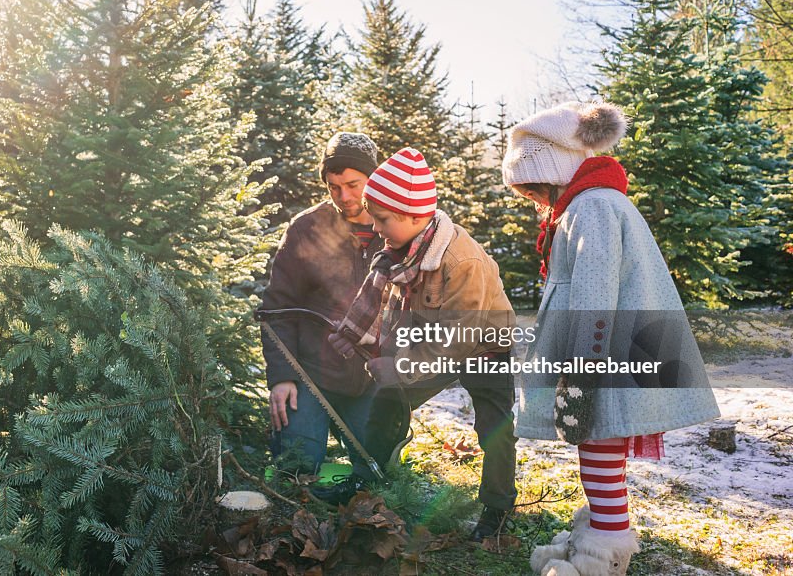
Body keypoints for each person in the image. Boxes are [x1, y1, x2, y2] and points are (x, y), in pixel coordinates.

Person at [501, 101, 720, 574]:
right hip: (608, 353)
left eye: (532, 189)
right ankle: (597, 535)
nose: (534, 201)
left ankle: (604, 555)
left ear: (551, 171)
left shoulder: (592, 207)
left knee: (599, 448)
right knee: (600, 452)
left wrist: (580, 376)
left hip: (606, 356)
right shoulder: (588, 202)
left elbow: (595, 296)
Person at [328, 147, 519, 541]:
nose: (377, 228)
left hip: (482, 345)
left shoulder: (462, 262)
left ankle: (497, 510)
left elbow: (458, 342)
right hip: (431, 339)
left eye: (382, 219)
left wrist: (399, 366)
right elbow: (394, 309)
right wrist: (365, 343)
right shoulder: (403, 251)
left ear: (413, 215)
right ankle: (370, 480)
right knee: (386, 400)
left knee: (494, 427)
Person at [260, 131, 387, 491]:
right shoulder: (306, 229)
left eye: (353, 185)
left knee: (380, 475)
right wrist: (282, 377)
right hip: (309, 377)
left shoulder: (395, 228)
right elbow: (276, 309)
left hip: (369, 381)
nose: (344, 197)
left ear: (373, 179)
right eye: (334, 187)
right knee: (295, 470)